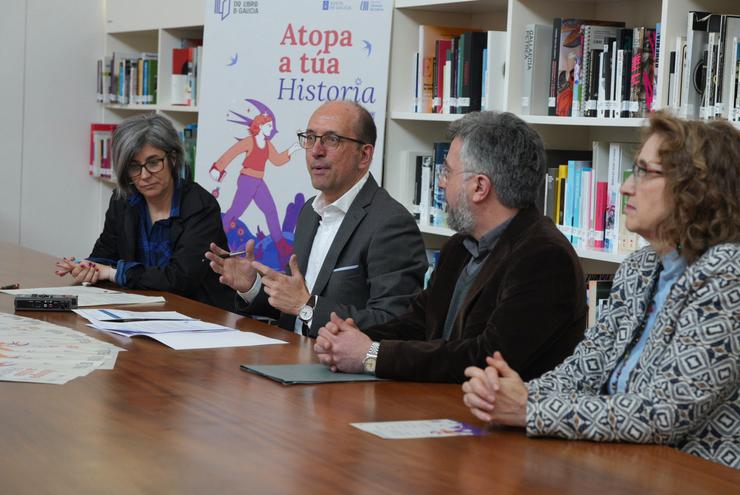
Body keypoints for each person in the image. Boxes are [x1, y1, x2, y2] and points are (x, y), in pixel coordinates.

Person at [461, 112, 740, 469]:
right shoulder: (640, 268)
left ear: (697, 188)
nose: (625, 186)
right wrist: (509, 392)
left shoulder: (727, 273)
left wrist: (530, 408)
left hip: (695, 475)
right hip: (621, 464)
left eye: (644, 171)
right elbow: (584, 368)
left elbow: (665, 414)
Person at [314, 111, 587, 383]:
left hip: (496, 421)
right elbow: (417, 323)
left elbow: (485, 357)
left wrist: (371, 354)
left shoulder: (545, 258)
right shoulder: (459, 247)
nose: (441, 182)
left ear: (480, 187)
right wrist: (350, 339)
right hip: (439, 405)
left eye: (447, 171)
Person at [206, 100, 427, 336]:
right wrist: (252, 286)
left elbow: (395, 324)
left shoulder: (390, 224)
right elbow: (293, 308)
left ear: (364, 155)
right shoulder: (310, 211)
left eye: (332, 140)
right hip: (289, 357)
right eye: (310, 138)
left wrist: (307, 306)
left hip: (342, 369)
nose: (316, 151)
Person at [55, 114, 236, 311]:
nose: (144, 175)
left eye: (153, 163)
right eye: (134, 166)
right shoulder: (122, 200)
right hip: (140, 311)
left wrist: (113, 273)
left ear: (173, 159)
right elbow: (105, 255)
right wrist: (87, 267)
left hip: (199, 316)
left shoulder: (201, 206)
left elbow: (179, 279)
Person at [210, 107, 302, 263]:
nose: (272, 129)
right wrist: (218, 167)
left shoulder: (267, 145)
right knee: (235, 212)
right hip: (247, 180)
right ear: (260, 126)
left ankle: (281, 246)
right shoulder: (249, 142)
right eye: (269, 126)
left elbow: (278, 160)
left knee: (271, 211)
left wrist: (293, 148)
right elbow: (232, 152)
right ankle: (214, 239)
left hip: (258, 181)